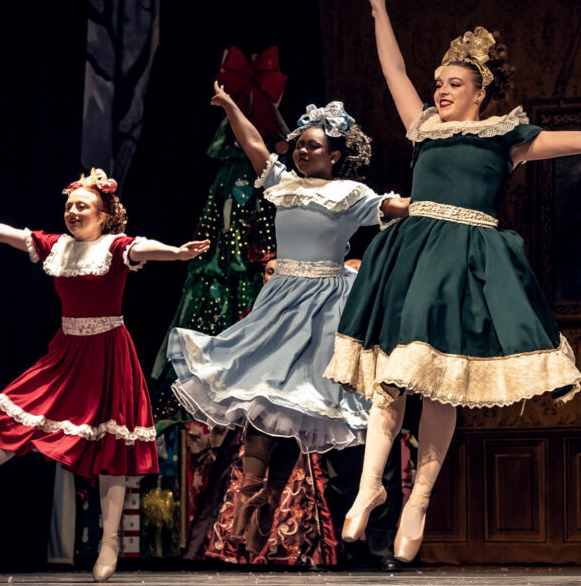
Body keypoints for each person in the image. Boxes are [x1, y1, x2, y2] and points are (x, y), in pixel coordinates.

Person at [324, 0, 581, 564]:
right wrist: (379, 11)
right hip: (411, 257)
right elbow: (393, 69)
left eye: (454, 84)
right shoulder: (423, 126)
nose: (440, 90)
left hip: (461, 263)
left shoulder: (507, 137)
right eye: (439, 83)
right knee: (394, 377)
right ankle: (370, 486)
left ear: (481, 91)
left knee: (438, 382)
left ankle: (420, 499)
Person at [0, 169, 209, 582]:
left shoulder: (116, 247)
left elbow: (147, 248)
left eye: (83, 206)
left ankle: (110, 542)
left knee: (113, 444)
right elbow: (8, 234)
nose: (73, 212)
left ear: (104, 214)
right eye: (69, 205)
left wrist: (178, 254)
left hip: (110, 351)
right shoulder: (57, 246)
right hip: (69, 350)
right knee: (23, 410)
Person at [167, 82, 409, 555]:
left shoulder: (350, 193)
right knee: (264, 396)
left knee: (302, 406)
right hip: (282, 301)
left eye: (313, 146)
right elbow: (255, 146)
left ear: (335, 154)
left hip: (328, 306)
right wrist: (233, 106)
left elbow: (393, 208)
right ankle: (248, 500)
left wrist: (435, 204)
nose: (301, 151)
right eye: (299, 144)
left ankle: (267, 500)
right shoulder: (283, 184)